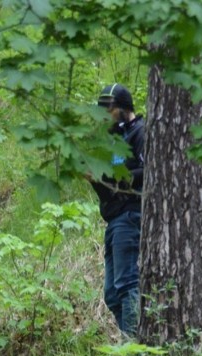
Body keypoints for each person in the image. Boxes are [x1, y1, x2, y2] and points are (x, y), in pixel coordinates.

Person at [88, 84, 145, 338]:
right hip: (114, 220)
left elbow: (152, 171)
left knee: (127, 284)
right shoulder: (114, 143)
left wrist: (117, 178)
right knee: (112, 294)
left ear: (123, 109)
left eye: (107, 111)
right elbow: (109, 191)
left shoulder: (141, 133)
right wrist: (93, 178)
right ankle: (129, 348)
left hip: (131, 216)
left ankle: (132, 349)